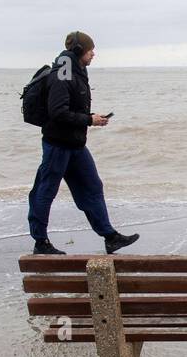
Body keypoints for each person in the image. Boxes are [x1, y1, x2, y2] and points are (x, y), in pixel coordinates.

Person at [27, 31, 139, 255]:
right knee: (45, 191)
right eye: (90, 50)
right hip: (57, 145)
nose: (93, 54)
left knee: (93, 187)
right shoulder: (63, 74)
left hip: (75, 145)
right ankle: (40, 242)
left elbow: (71, 107)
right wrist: (89, 120)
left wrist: (92, 116)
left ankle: (110, 237)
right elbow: (58, 112)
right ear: (79, 51)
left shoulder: (76, 72)